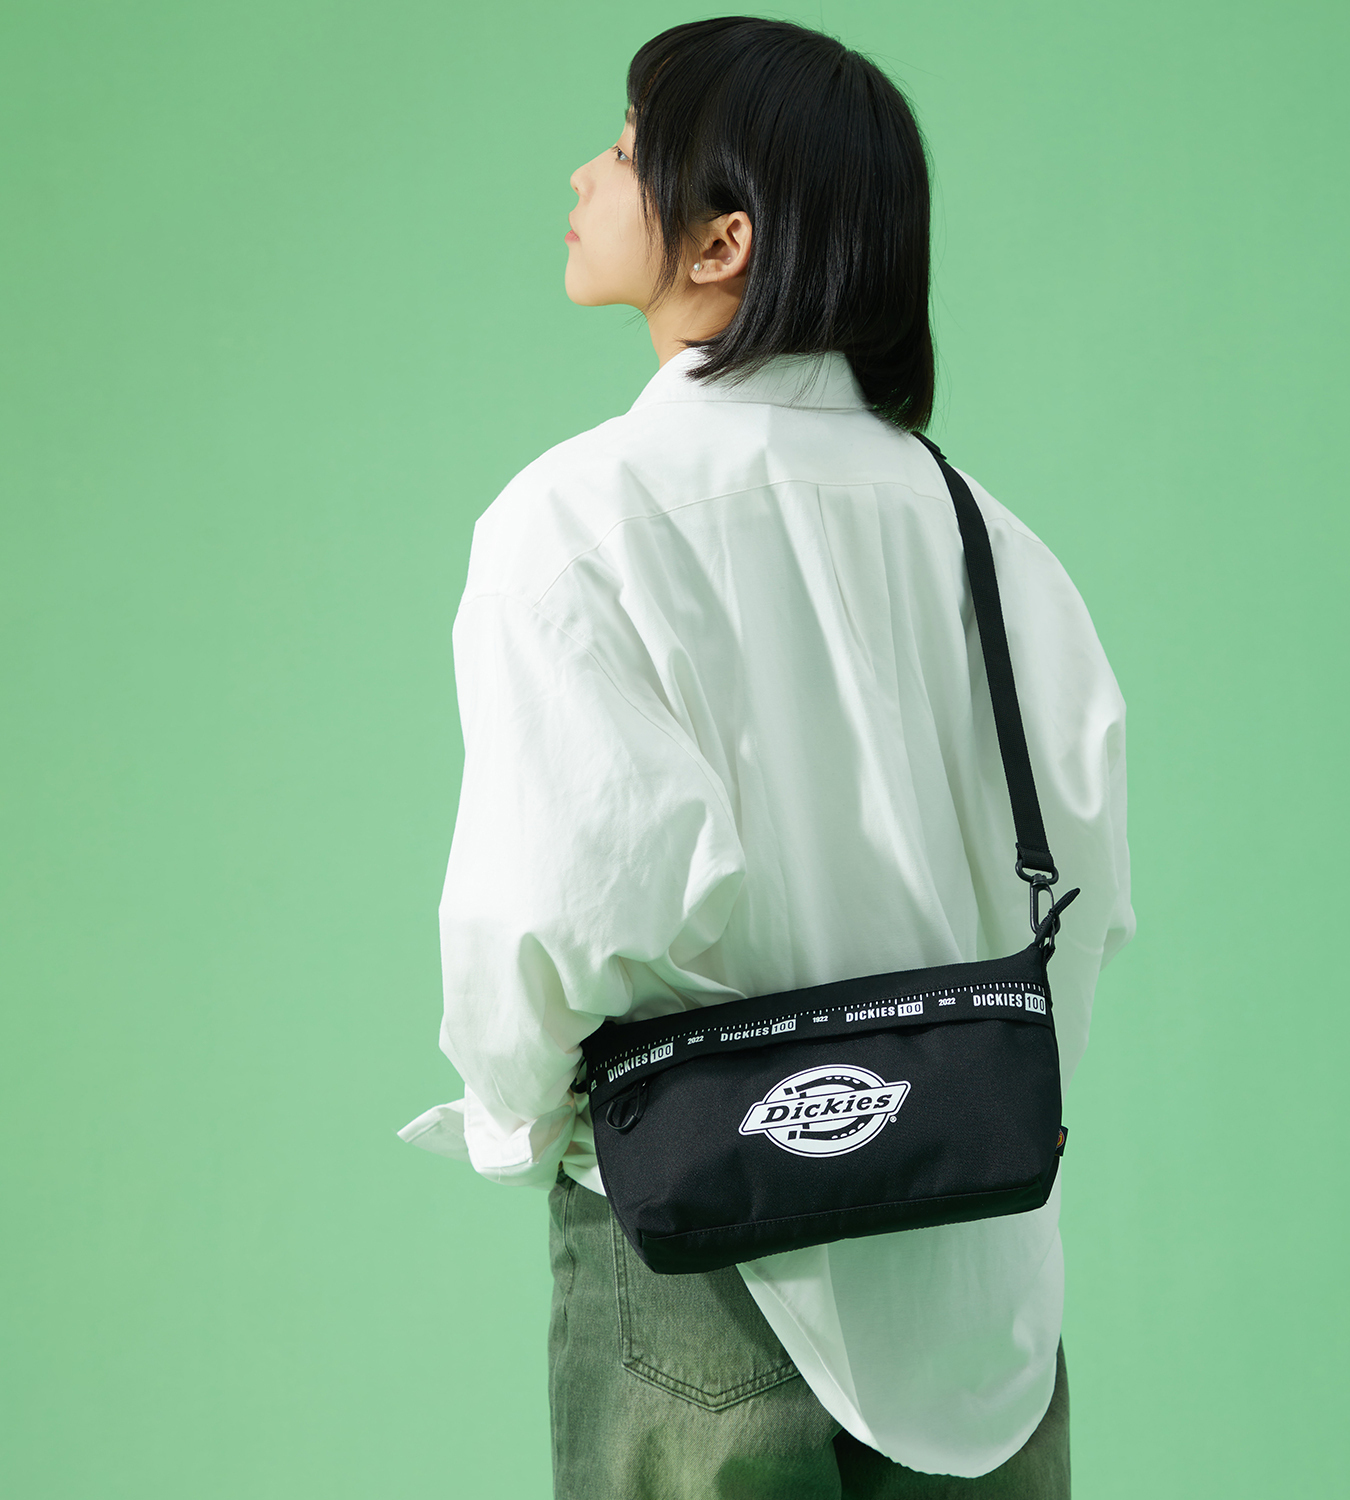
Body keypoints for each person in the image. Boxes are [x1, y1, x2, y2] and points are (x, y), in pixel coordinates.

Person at [399, 16, 1133, 1498]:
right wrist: (943, 1098)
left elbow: (558, 902)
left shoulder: (576, 519)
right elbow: (1086, 893)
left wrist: (518, 1119)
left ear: (723, 239)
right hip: (981, 1281)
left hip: (706, 1259)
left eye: (625, 151)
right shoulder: (996, 544)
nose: (584, 174)